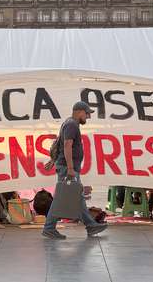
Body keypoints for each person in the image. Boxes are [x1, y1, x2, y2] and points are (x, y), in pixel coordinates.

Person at [42, 101, 108, 240]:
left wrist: (54, 159)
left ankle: (91, 226)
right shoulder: (72, 124)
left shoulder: (70, 123)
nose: (88, 117)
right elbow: (66, 145)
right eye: (87, 113)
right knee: (62, 198)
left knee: (78, 197)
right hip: (68, 168)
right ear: (79, 112)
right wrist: (70, 168)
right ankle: (49, 228)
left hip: (67, 166)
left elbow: (59, 143)